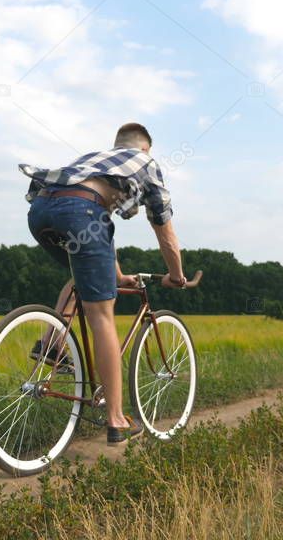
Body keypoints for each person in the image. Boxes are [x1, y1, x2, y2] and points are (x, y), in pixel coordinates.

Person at [20, 122, 187, 446]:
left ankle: (50, 344)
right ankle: (116, 419)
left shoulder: (95, 159)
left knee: (80, 278)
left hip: (41, 210)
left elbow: (99, 219)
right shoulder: (146, 164)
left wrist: (117, 274)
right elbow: (165, 233)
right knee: (102, 315)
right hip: (81, 211)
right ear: (144, 148)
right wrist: (177, 275)